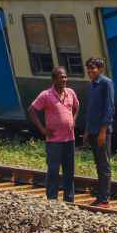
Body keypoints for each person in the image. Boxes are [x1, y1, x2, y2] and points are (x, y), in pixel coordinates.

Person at [28, 67, 79, 202]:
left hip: (69, 139)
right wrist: (42, 129)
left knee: (69, 171)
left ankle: (69, 199)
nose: (64, 80)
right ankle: (52, 198)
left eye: (65, 77)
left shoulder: (71, 93)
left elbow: (77, 107)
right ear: (54, 79)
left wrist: (73, 119)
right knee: (53, 170)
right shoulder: (46, 95)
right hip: (54, 141)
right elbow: (32, 110)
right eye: (61, 77)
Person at [83, 57, 114, 208]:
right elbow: (90, 110)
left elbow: (109, 109)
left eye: (93, 68)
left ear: (100, 69)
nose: (90, 71)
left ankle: (105, 199)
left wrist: (103, 131)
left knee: (104, 165)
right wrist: (87, 131)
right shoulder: (90, 86)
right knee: (98, 164)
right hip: (93, 130)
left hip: (103, 131)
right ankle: (100, 196)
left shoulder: (106, 83)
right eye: (88, 68)